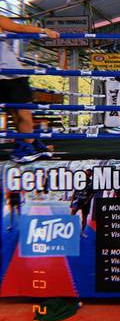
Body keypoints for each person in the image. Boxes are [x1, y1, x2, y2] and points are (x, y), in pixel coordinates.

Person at [0, 15, 59, 162]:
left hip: (12, 74)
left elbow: (19, 28)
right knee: (14, 113)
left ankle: (29, 146)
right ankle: (31, 145)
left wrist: (43, 30)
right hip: (2, 76)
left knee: (23, 112)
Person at [70, 168, 94, 238]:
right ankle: (71, 230)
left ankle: (82, 232)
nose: (87, 175)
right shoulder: (79, 181)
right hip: (77, 201)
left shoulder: (92, 183)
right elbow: (74, 192)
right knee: (72, 215)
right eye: (86, 174)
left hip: (86, 203)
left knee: (84, 218)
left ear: (91, 175)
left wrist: (87, 201)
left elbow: (92, 194)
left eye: (89, 174)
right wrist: (71, 202)